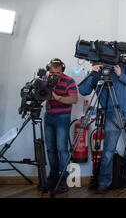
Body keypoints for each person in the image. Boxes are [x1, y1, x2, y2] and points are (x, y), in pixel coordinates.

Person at [78, 63, 126, 195]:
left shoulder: (121, 64)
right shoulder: (95, 73)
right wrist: (91, 73)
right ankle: (103, 182)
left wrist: (120, 75)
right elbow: (83, 91)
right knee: (108, 150)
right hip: (112, 114)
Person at [44, 58, 78, 193]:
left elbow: (74, 99)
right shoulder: (45, 79)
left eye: (57, 73)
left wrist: (57, 97)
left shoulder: (69, 81)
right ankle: (53, 175)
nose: (54, 76)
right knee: (50, 148)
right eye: (52, 72)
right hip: (49, 116)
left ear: (62, 70)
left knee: (62, 149)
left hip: (62, 117)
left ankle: (63, 178)